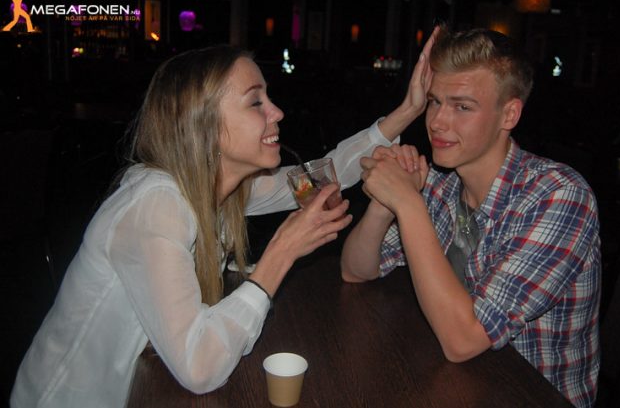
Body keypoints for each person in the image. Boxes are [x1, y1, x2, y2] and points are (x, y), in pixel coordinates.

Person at [10, 32, 437, 408]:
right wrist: (282, 251)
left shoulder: (221, 188)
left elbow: (327, 170)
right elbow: (200, 369)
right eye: (256, 102)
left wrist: (408, 110)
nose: (277, 112)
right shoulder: (156, 205)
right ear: (205, 126)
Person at [341, 28, 601, 408]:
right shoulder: (442, 184)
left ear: (509, 114)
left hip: (531, 395)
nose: (437, 122)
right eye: (434, 102)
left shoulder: (558, 195)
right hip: (453, 382)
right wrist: (385, 203)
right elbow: (356, 270)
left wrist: (408, 203)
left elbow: (463, 341)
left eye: (462, 107)